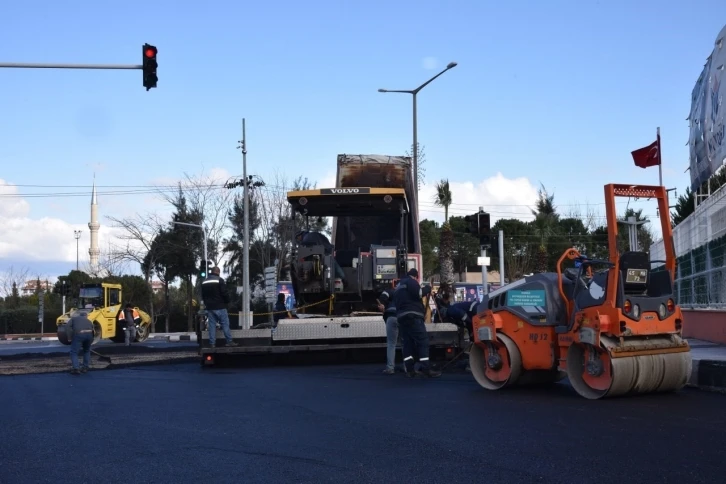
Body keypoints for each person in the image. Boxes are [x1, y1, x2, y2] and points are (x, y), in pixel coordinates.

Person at [392, 269, 441, 378]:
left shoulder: (398, 286)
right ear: (415, 276)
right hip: (413, 316)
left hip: (401, 317)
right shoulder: (411, 282)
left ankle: (410, 370)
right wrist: (427, 288)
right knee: (422, 341)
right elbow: (419, 294)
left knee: (407, 343)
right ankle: (425, 368)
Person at [201, 267, 238, 347]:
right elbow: (224, 293)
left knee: (212, 326)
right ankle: (229, 341)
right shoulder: (219, 280)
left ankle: (212, 343)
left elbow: (203, 296)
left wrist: (207, 304)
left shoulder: (204, 282)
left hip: (210, 307)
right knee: (225, 324)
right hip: (220, 306)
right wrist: (228, 301)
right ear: (218, 272)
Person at [378, 284, 398, 375]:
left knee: (391, 344)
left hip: (391, 317)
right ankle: (408, 367)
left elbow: (383, 297)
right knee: (406, 343)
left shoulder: (390, 291)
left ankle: (390, 368)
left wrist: (382, 305)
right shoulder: (404, 293)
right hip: (402, 317)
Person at [66, 310, 94, 375]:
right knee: (87, 351)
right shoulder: (89, 321)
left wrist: (69, 338)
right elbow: (93, 330)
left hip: (79, 334)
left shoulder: (74, 319)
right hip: (90, 335)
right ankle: (85, 367)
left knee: (74, 352)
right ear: (86, 316)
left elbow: (67, 327)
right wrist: (90, 341)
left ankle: (76, 368)